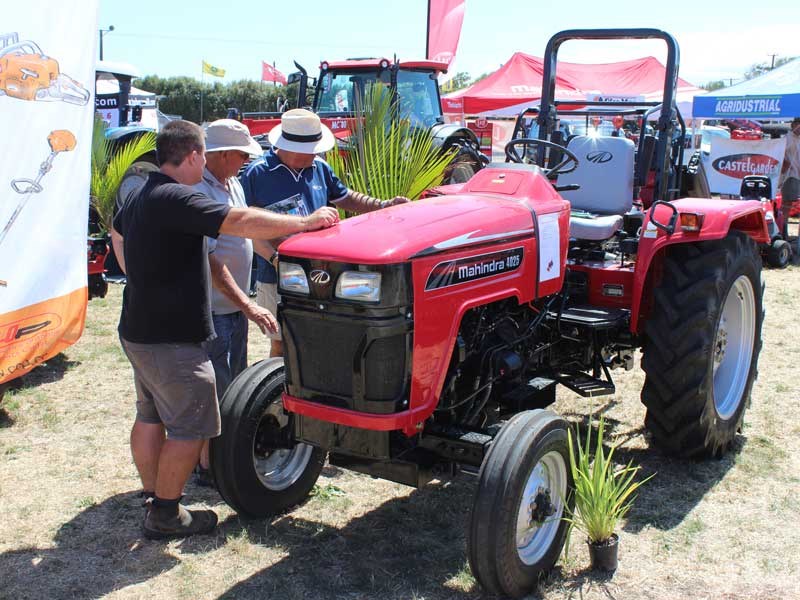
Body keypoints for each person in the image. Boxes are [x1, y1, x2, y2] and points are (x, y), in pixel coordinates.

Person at [111, 120, 339, 540]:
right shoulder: (176, 197)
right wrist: (305, 224)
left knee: (150, 414)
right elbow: (240, 221)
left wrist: (136, 273)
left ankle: (152, 493)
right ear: (195, 155)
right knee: (191, 427)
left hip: (139, 330)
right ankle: (165, 513)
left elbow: (117, 231)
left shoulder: (142, 193)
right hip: (171, 340)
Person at [240, 108, 409, 358]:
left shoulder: (319, 167)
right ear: (293, 148)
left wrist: (382, 205)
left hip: (322, 273)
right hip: (276, 273)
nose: (319, 152)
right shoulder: (258, 173)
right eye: (314, 148)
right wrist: (275, 260)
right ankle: (279, 393)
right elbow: (246, 225)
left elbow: (345, 197)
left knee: (317, 336)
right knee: (281, 341)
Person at [191, 119, 272, 487]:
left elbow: (245, 236)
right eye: (241, 154)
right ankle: (208, 464)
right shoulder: (200, 192)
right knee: (217, 389)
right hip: (214, 310)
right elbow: (210, 261)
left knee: (234, 383)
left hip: (233, 308)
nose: (245, 161)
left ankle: (224, 457)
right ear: (223, 155)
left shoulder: (233, 183)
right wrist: (248, 305)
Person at [779, 117, 800, 253]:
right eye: (797, 125)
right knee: (786, 205)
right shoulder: (787, 139)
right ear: (793, 125)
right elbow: (781, 158)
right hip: (791, 176)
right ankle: (782, 232)